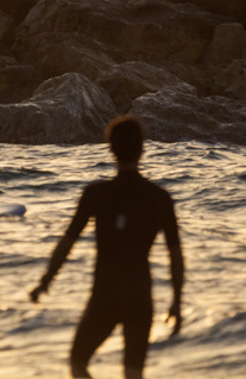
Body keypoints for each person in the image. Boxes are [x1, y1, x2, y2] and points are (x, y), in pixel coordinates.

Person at [29, 115, 184, 379]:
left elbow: (68, 242)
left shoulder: (96, 194)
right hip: (140, 296)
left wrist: (46, 280)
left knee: (78, 363)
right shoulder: (159, 198)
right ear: (142, 148)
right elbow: (175, 255)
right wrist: (177, 302)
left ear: (110, 148)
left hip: (105, 295)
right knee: (134, 374)